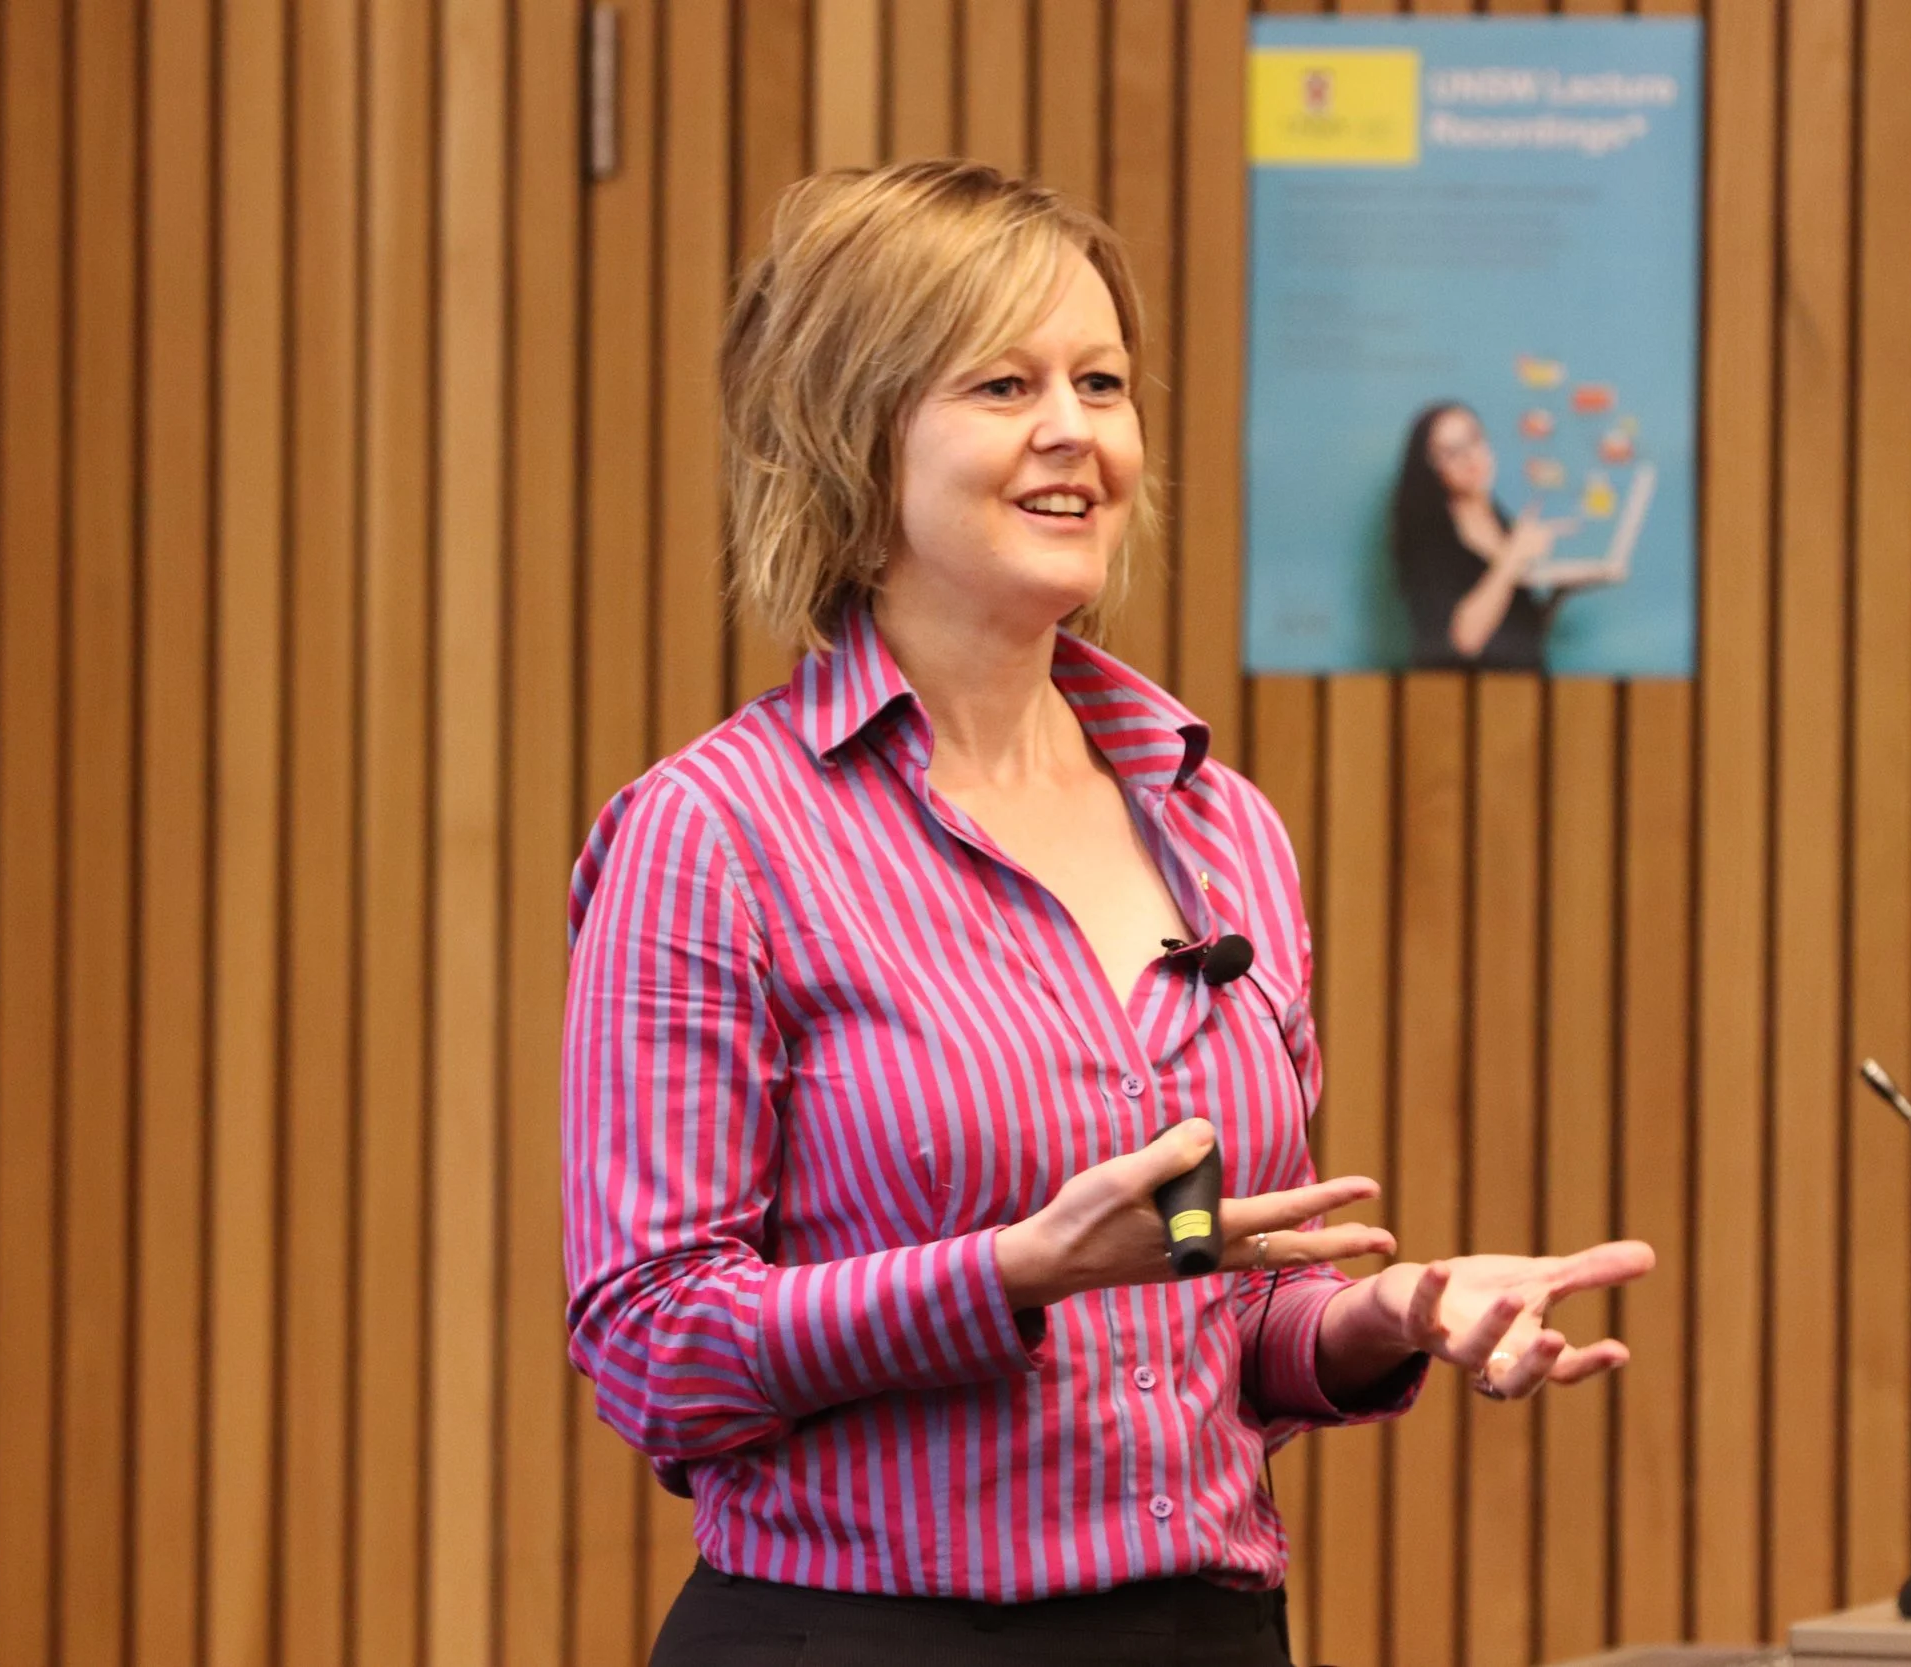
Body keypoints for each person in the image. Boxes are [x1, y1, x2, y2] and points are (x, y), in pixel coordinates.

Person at [561, 159, 1655, 1667]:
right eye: (1004, 384)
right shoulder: (715, 835)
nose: (1076, 429)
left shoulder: (1219, 823)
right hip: (861, 1635)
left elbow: (1208, 1300)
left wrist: (1387, 1312)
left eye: (1104, 381)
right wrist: (1009, 1272)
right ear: (851, 433)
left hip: (1204, 1627)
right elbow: (650, 1348)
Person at [1391, 401, 1630, 671]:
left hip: (1522, 693)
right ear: (1432, 467)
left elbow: (1516, 633)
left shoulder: (1503, 522)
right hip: (1464, 699)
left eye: (1474, 439)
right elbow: (1465, 641)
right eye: (1451, 452)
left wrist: (1558, 593)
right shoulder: (1427, 538)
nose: (1471, 457)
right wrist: (1514, 555)